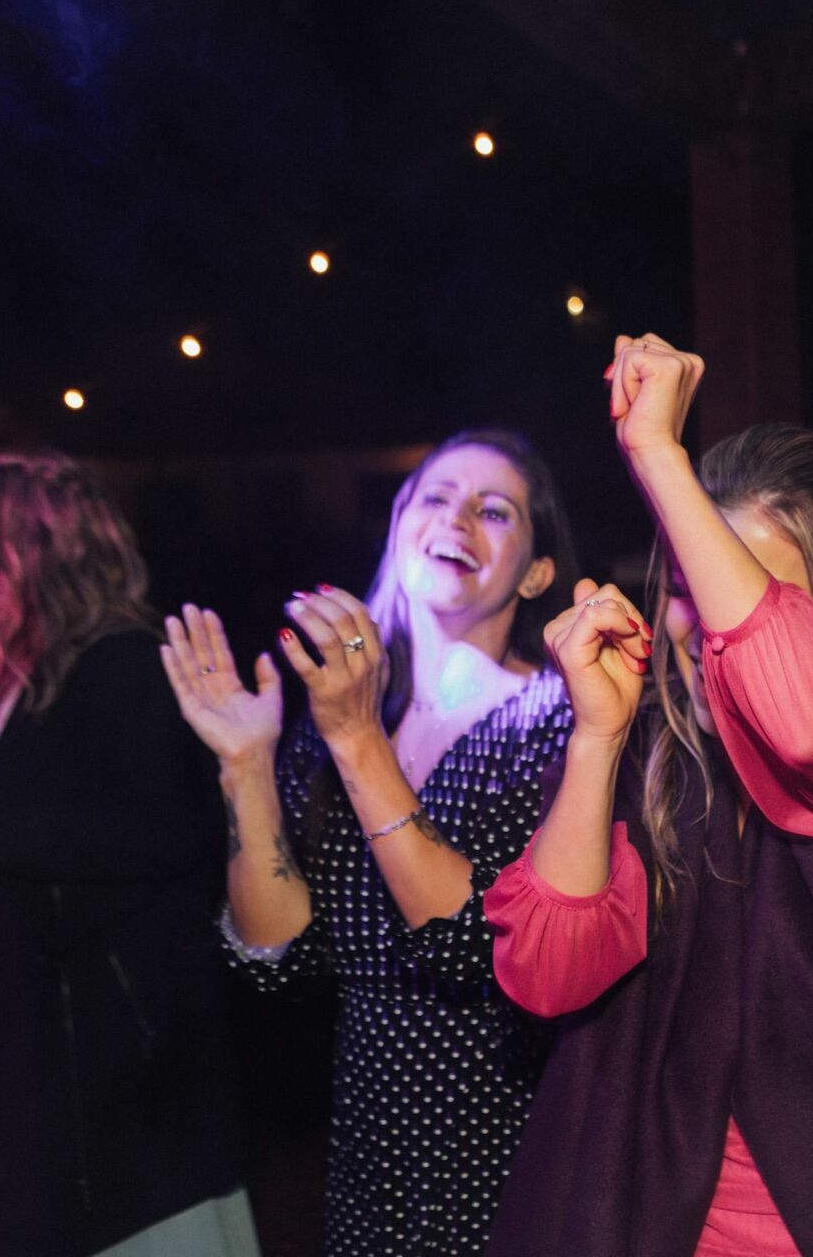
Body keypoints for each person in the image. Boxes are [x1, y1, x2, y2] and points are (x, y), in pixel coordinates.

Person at [482, 338, 813, 1257]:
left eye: (754, 595)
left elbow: (804, 722)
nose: (711, 628)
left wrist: (658, 457)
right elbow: (549, 973)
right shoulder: (649, 754)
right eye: (687, 587)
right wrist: (598, 737)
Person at [161, 429, 576, 1255]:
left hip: (508, 1150)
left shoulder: (556, 723)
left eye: (493, 510)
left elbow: (471, 945)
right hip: (367, 1170)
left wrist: (356, 740)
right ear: (398, 525)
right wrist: (248, 765)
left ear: (535, 572)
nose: (457, 518)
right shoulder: (342, 718)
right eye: (435, 497)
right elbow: (274, 955)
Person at [0, 452, 255, 1257]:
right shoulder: (26, 674)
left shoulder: (124, 662)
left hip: (116, 1081)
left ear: (23, 546)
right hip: (38, 1068)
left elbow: (172, 836)